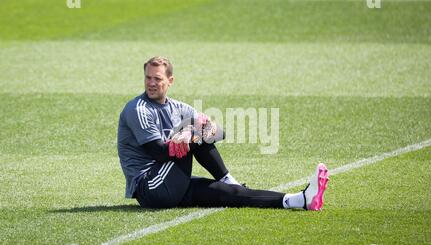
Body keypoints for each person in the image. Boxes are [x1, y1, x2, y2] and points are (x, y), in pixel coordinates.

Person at [117, 56, 329, 210]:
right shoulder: (139, 109)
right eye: (148, 78)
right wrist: (191, 131)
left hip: (172, 181)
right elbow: (159, 153)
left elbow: (219, 132)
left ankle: (299, 200)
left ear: (170, 81)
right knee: (193, 127)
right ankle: (227, 178)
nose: (151, 83)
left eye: (157, 79)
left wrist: (193, 130)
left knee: (231, 194)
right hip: (151, 187)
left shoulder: (178, 107)